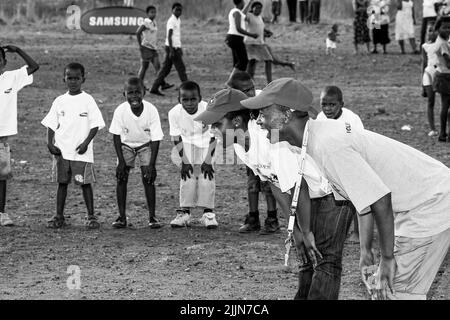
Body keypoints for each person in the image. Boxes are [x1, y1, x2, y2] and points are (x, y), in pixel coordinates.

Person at [242, 77, 450, 300]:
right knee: (388, 292)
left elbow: (380, 199)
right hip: (424, 199)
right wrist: (366, 250)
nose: (259, 121)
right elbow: (363, 199)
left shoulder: (326, 145)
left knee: (396, 292)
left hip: (429, 203)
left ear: (287, 113)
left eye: (263, 112)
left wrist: (388, 258)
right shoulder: (315, 139)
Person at [196, 86, 356, 300]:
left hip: (332, 190)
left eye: (216, 124)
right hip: (307, 196)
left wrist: (305, 230)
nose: (212, 131)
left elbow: (299, 187)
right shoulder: (239, 146)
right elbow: (274, 183)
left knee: (325, 259)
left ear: (236, 122)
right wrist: (295, 228)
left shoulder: (269, 137)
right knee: (306, 257)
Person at [41, 62, 105, 229]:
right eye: (70, 78)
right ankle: (59, 216)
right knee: (62, 184)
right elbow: (51, 124)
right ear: (64, 79)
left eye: (77, 78)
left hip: (81, 153)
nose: (73, 81)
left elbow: (96, 125)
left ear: (83, 79)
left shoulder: (88, 100)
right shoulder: (59, 101)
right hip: (62, 151)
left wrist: (85, 143)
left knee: (85, 184)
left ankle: (91, 216)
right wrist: (49, 143)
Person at [225, 71, 280, 234]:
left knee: (269, 183)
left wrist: (274, 148)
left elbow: (275, 126)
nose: (250, 93)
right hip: (250, 150)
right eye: (245, 90)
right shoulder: (233, 104)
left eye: (251, 88)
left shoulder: (263, 100)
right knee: (252, 184)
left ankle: (272, 219)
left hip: (267, 148)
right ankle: (253, 218)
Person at [109, 77, 163, 229]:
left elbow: (156, 138)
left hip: (145, 145)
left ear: (144, 92)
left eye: (138, 92)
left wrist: (151, 165)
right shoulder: (120, 110)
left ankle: (152, 216)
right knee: (121, 178)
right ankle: (121, 216)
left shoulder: (151, 110)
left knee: (148, 179)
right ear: (124, 94)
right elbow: (116, 136)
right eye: (130, 93)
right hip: (126, 145)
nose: (134, 96)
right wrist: (120, 162)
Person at [316, 86, 364, 243]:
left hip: (350, 162)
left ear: (341, 104)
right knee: (332, 198)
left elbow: (359, 142)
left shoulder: (352, 120)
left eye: (332, 105)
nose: (327, 109)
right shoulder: (320, 119)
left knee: (356, 199)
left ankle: (358, 233)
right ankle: (337, 231)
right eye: (324, 104)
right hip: (329, 164)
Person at [168, 81, 218, 229]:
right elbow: (176, 137)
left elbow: (214, 136)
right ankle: (185, 213)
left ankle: (208, 214)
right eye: (185, 99)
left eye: (193, 99)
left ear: (200, 98)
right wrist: (185, 161)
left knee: (206, 176)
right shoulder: (174, 113)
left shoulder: (208, 109)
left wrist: (208, 160)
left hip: (207, 144)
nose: (189, 103)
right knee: (187, 176)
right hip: (186, 144)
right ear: (179, 100)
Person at [0, 45, 39, 227]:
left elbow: (33, 66)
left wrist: (18, 50)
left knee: (2, 178)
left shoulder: (11, 78)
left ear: (4, 62)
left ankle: (1, 213)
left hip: (1, 139)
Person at [245, 1, 295, 84]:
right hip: (250, 44)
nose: (259, 10)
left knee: (268, 60)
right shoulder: (249, 16)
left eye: (260, 8)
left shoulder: (260, 17)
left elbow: (261, 28)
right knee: (252, 62)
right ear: (252, 8)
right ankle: (249, 81)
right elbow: (242, 14)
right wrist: (249, 2)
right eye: (257, 8)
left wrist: (267, 32)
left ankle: (269, 81)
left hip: (260, 43)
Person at [149, 3, 187, 96]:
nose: (178, 12)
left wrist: (179, 47)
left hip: (175, 47)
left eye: (180, 10)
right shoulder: (171, 21)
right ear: (172, 10)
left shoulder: (178, 20)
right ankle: (187, 87)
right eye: (176, 9)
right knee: (181, 69)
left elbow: (176, 36)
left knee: (165, 70)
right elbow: (169, 36)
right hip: (172, 48)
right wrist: (171, 50)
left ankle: (154, 88)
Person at [136, 5, 173, 91]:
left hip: (153, 48)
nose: (154, 14)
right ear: (147, 13)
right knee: (144, 68)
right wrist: (140, 46)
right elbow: (138, 32)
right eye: (152, 12)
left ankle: (163, 84)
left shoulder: (154, 22)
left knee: (158, 67)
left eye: (154, 12)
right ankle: (139, 86)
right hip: (146, 48)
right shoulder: (146, 22)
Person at [226, 0, 258, 84]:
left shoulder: (236, 12)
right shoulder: (236, 12)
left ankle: (235, 82)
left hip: (234, 38)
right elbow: (238, 28)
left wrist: (250, 2)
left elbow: (243, 13)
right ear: (241, 2)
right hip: (235, 38)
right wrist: (251, 35)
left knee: (237, 62)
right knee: (243, 61)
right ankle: (230, 82)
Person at [430, 29, 450, 141]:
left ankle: (444, 133)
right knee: (446, 105)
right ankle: (443, 133)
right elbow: (448, 61)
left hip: (442, 75)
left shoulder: (440, 43)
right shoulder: (443, 44)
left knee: (445, 105)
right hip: (446, 76)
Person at [422, 29, 439, 137]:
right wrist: (422, 85)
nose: (431, 33)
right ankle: (432, 128)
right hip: (428, 73)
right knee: (430, 101)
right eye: (429, 31)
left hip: (441, 73)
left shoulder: (442, 44)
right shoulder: (425, 46)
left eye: (434, 31)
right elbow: (423, 63)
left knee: (445, 102)